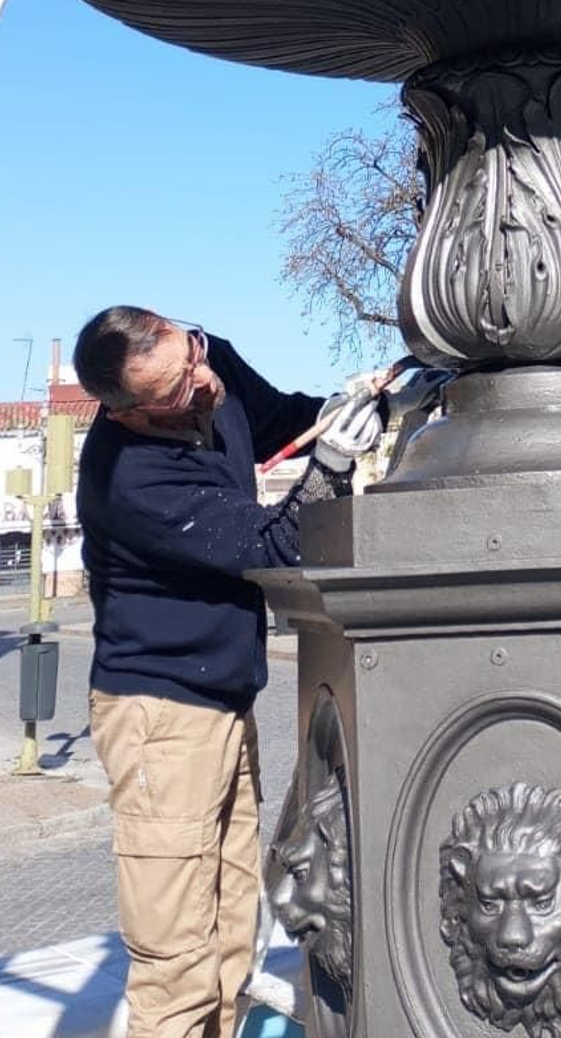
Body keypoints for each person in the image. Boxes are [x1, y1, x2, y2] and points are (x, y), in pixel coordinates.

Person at [73, 305, 385, 1038]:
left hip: (223, 702)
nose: (205, 381)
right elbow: (277, 547)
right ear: (128, 414)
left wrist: (362, 407)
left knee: (231, 938)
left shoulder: (209, 364)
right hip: (160, 718)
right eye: (179, 391)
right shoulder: (131, 480)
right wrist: (332, 467)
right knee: (176, 961)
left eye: (194, 355)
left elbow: (283, 420)